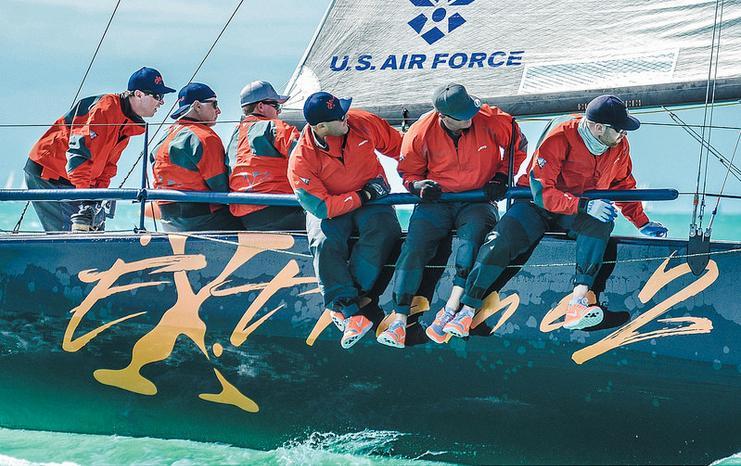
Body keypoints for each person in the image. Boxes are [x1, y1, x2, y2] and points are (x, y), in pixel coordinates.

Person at [454, 94, 668, 335]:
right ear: (598, 127)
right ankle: (466, 311)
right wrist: (584, 206)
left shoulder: (619, 146)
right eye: (619, 129)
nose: (624, 134)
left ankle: (577, 304)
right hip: (535, 204)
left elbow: (623, 185)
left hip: (573, 209)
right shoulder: (560, 136)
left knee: (601, 222)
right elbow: (542, 192)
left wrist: (642, 222)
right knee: (502, 239)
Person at [377, 83, 527, 348]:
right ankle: (400, 317)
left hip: (477, 200)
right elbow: (408, 172)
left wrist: (504, 175)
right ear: (442, 116)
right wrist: (418, 187)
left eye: (471, 111)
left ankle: (452, 309)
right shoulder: (420, 131)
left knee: (472, 242)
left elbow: (519, 144)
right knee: (414, 248)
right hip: (438, 202)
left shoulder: (491, 118)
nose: (469, 118)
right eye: (461, 117)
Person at [288, 91, 403, 349]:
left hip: (372, 198)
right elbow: (321, 208)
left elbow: (402, 148)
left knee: (385, 230)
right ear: (321, 127)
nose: (346, 118)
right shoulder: (301, 159)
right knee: (324, 242)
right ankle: (348, 310)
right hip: (335, 203)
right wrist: (363, 195)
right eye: (340, 117)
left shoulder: (362, 122)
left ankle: (352, 301)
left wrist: (416, 179)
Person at [24, 67, 175, 231]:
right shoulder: (105, 109)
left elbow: (108, 167)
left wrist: (95, 197)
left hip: (72, 179)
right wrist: (86, 198)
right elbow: (78, 156)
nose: (162, 102)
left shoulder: (128, 122)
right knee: (74, 234)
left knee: (93, 227)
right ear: (138, 94)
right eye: (157, 96)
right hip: (49, 172)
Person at [151, 83, 238, 232]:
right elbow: (222, 188)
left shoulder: (165, 136)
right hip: (202, 221)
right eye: (214, 104)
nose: (219, 110)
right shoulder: (205, 137)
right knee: (253, 219)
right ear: (197, 106)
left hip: (169, 223)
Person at [228, 81, 304, 230]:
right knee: (333, 219)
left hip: (246, 217)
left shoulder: (234, 135)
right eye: (276, 106)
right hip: (279, 210)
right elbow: (307, 157)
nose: (279, 112)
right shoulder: (275, 126)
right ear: (260, 106)